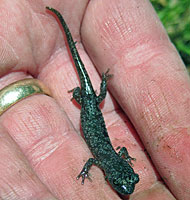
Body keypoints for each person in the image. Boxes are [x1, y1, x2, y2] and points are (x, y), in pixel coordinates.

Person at [0, 1, 189, 199]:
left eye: (125, 182)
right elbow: (94, 161)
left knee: (96, 97)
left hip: (91, 107)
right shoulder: (104, 160)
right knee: (92, 96)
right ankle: (83, 90)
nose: (126, 188)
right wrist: (85, 170)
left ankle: (88, 89)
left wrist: (107, 163)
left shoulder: (109, 159)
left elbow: (116, 153)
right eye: (124, 182)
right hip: (90, 107)